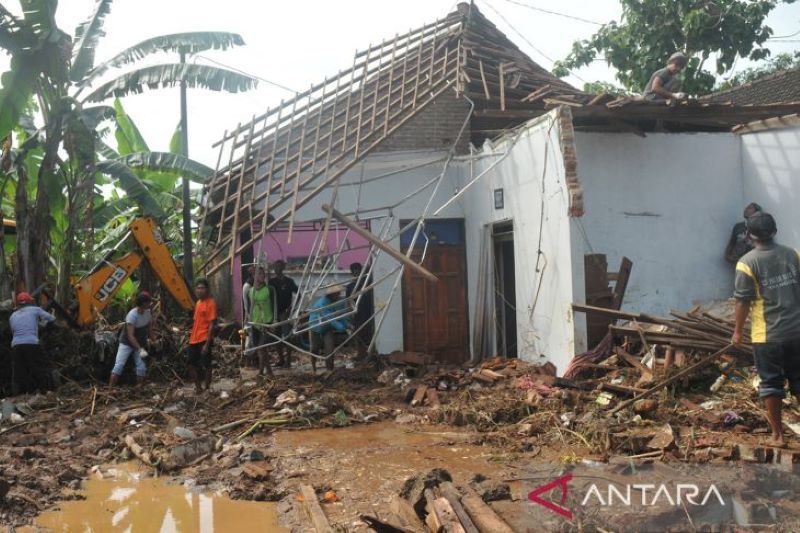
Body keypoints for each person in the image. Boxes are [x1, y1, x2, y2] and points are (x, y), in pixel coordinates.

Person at [732, 213, 800, 448]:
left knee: (771, 383)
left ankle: (778, 436)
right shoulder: (793, 255)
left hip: (767, 336)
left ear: (750, 236)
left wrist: (738, 332)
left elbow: (742, 301)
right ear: (775, 231)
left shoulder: (747, 263)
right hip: (796, 331)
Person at [9, 292, 56, 394]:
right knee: (38, 367)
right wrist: (44, 323)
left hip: (16, 345)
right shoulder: (35, 309)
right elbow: (52, 319)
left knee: (21, 370)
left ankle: (27, 392)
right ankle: (45, 390)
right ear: (30, 301)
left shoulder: (13, 315)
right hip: (31, 343)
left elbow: (13, 331)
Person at [109, 291, 153, 388]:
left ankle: (138, 389)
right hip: (127, 344)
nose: (150, 304)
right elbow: (130, 336)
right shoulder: (132, 315)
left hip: (140, 344)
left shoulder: (148, 313)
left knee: (141, 368)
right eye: (148, 302)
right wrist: (140, 349)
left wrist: (154, 340)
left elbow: (150, 328)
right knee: (119, 365)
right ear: (143, 303)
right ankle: (110, 390)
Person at [309, 285, 349, 371]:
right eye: (336, 294)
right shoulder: (323, 303)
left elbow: (341, 315)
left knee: (330, 348)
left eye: (338, 293)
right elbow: (330, 318)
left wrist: (347, 325)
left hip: (327, 328)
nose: (338, 295)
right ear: (331, 294)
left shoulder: (338, 302)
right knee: (314, 348)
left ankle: (329, 369)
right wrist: (342, 327)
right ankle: (313, 368)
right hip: (315, 326)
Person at [188, 278, 218, 393]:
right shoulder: (198, 303)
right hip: (194, 339)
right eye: (198, 288)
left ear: (207, 289)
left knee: (207, 364)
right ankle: (198, 388)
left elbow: (211, 324)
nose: (200, 290)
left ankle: (207, 388)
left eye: (202, 288)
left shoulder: (211, 303)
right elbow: (196, 321)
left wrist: (207, 343)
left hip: (204, 338)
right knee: (191, 364)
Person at [268, 260, 298, 367]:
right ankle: (281, 359)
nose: (277, 269)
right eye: (275, 267)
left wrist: (293, 308)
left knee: (287, 337)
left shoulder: (289, 281)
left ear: (283, 268)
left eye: (279, 267)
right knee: (277, 338)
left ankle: (288, 360)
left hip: (286, 313)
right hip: (275, 313)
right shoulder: (271, 282)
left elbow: (298, 293)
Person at [249, 266, 275, 376]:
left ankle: (260, 372)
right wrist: (248, 319)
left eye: (263, 274)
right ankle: (269, 371)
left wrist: (275, 321)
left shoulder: (269, 289)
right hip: (255, 323)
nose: (262, 276)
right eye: (259, 274)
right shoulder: (250, 291)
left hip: (267, 322)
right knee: (261, 349)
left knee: (261, 347)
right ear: (253, 276)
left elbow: (275, 305)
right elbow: (250, 307)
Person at [345, 262, 375, 360]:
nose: (356, 272)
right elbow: (348, 301)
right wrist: (350, 314)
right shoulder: (349, 287)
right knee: (359, 335)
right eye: (354, 271)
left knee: (369, 334)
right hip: (357, 313)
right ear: (352, 273)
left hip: (368, 312)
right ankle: (361, 355)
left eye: (358, 270)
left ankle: (370, 354)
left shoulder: (368, 283)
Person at [242, 265, 255, 352]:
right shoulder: (248, 286)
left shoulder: (252, 285)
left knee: (252, 337)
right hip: (251, 315)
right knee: (249, 337)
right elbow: (248, 304)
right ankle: (249, 357)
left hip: (254, 315)